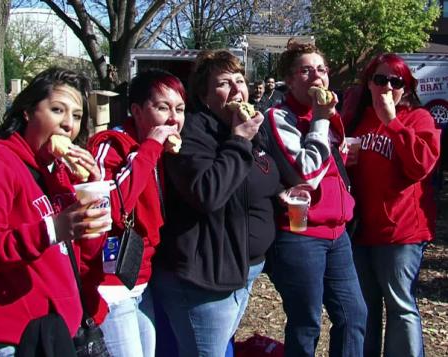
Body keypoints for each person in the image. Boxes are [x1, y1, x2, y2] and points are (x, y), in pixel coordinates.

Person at [151, 50, 281, 357]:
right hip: (204, 277)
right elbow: (207, 193)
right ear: (204, 96)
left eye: (240, 80)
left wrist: (285, 191)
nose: (238, 89)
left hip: (244, 270)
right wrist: (238, 141)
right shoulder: (193, 132)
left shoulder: (245, 127)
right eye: (225, 83)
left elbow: (257, 178)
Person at [0, 67, 110, 356]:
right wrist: (52, 229)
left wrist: (94, 193)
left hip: (56, 336)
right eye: (57, 110)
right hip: (9, 342)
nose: (68, 125)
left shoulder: (57, 175)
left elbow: (84, 256)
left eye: (76, 116)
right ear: (27, 112)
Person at [263, 40, 367, 357]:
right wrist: (322, 119)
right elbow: (306, 174)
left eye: (321, 69)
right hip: (301, 235)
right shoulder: (280, 117)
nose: (317, 77)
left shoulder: (323, 113)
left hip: (338, 234)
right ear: (290, 80)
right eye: (305, 71)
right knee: (306, 322)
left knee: (354, 315)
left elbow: (326, 162)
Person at [342, 53, 441, 357]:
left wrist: (393, 123)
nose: (387, 87)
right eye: (380, 79)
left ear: (405, 88)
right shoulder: (359, 118)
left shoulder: (418, 118)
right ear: (368, 83)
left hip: (401, 232)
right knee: (366, 307)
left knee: (400, 306)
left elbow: (421, 166)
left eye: (395, 81)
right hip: (361, 230)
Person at [84, 69, 185, 357]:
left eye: (179, 108)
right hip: (112, 285)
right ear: (137, 111)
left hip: (143, 279)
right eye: (162, 107)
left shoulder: (165, 151)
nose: (173, 118)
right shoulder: (111, 144)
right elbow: (113, 206)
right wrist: (151, 146)